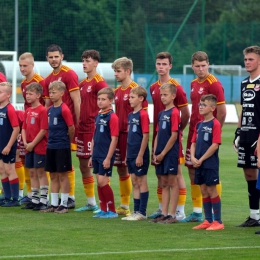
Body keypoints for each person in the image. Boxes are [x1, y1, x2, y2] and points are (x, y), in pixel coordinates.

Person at [183, 51, 226, 222]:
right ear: (192, 66)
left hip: (207, 135)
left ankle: (216, 217)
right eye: (197, 66)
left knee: (210, 175)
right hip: (195, 132)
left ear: (208, 64)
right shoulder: (193, 83)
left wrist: (214, 133)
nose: (200, 69)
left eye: (203, 65)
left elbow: (222, 112)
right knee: (193, 170)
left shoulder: (214, 84)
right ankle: (197, 212)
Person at [149, 52, 190, 220]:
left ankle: (179, 210)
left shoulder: (176, 88)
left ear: (170, 66)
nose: (161, 67)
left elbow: (185, 113)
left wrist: (178, 131)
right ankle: (162, 209)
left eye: (164, 64)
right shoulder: (153, 88)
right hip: (160, 134)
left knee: (177, 175)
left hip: (172, 136)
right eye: (159, 64)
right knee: (161, 175)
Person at [45, 44, 81, 209]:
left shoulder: (69, 74)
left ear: (62, 56)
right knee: (56, 169)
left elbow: (76, 100)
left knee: (66, 165)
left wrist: (77, 124)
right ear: (47, 58)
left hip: (67, 127)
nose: (54, 60)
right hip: (54, 131)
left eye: (56, 56)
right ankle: (57, 201)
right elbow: (46, 105)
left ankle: (70, 198)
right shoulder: (48, 79)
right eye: (51, 57)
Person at [112, 57, 148, 216]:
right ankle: (125, 205)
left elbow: (143, 118)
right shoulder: (117, 91)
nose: (115, 74)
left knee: (135, 173)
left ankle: (138, 209)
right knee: (121, 169)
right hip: (119, 135)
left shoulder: (136, 90)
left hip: (131, 137)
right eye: (114, 71)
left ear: (127, 71)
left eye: (118, 71)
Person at [75, 50, 107, 212]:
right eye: (83, 60)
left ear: (96, 63)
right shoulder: (82, 83)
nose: (84, 63)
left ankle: (104, 204)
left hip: (93, 129)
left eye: (87, 60)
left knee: (96, 165)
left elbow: (107, 104)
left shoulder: (99, 83)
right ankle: (91, 202)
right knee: (82, 165)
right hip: (82, 129)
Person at [233, 46, 260, 228]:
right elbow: (243, 110)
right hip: (246, 135)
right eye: (246, 59)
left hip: (258, 136)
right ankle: (254, 216)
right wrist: (238, 131)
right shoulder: (244, 83)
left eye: (251, 59)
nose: (247, 62)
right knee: (249, 173)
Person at [19, 52, 50, 204]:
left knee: (41, 169)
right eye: (20, 66)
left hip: (39, 129)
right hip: (28, 128)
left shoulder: (40, 82)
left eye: (25, 66)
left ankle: (43, 198)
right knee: (30, 167)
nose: (22, 69)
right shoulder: (24, 83)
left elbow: (47, 103)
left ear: (32, 65)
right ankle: (33, 196)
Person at [191, 94, 224, 231]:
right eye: (200, 104)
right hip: (198, 163)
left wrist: (202, 159)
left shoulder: (215, 123)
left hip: (209, 163)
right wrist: (193, 158)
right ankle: (208, 220)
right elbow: (193, 143)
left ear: (212, 108)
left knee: (211, 190)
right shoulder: (198, 124)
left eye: (204, 105)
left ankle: (218, 221)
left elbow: (215, 145)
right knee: (203, 190)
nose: (201, 107)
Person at [41, 81, 75, 214]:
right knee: (53, 175)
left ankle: (64, 204)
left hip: (62, 146)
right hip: (51, 145)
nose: (51, 94)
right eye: (50, 92)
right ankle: (54, 204)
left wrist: (67, 141)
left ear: (62, 93)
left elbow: (71, 128)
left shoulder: (64, 109)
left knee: (63, 175)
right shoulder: (49, 110)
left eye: (54, 92)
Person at [149, 83, 180, 224]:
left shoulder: (174, 112)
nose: (162, 97)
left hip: (170, 153)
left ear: (173, 96)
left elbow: (174, 136)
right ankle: (164, 212)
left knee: (173, 182)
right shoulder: (161, 113)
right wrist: (155, 152)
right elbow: (157, 135)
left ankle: (172, 215)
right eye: (161, 94)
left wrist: (163, 153)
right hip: (160, 153)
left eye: (165, 94)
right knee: (164, 182)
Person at [89, 88, 119, 219]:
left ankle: (112, 210)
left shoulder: (112, 117)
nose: (100, 102)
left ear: (111, 101)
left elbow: (114, 139)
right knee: (98, 182)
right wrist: (91, 155)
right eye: (99, 99)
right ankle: (103, 209)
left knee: (103, 182)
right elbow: (94, 137)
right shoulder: (99, 115)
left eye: (103, 99)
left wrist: (108, 158)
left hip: (105, 155)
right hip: (96, 154)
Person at [121, 86, 150, 221]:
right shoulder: (131, 114)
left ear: (141, 99)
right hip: (131, 152)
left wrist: (140, 155)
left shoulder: (143, 114)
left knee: (141, 180)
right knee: (134, 181)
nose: (129, 99)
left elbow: (145, 136)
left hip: (139, 153)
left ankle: (142, 212)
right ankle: (136, 211)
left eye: (132, 97)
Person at [21, 82, 49, 211]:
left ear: (38, 95)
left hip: (39, 146)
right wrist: (26, 142)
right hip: (28, 146)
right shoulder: (27, 110)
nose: (27, 96)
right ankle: (34, 199)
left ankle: (43, 200)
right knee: (32, 172)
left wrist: (32, 144)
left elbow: (43, 130)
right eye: (27, 93)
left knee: (40, 172)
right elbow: (24, 128)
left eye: (30, 93)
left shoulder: (42, 110)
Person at [0, 82, 20, 207]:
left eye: (0, 92)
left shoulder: (10, 109)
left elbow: (16, 129)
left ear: (8, 95)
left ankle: (15, 199)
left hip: (8, 146)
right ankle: (6, 197)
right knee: (2, 170)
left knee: (9, 170)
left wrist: (8, 146)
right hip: (0, 145)